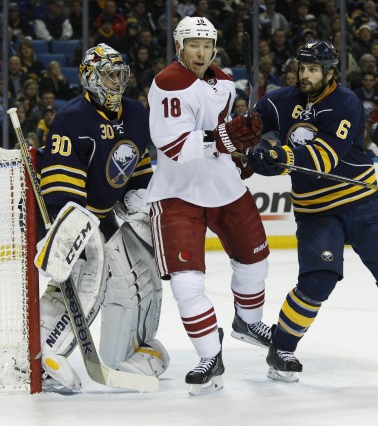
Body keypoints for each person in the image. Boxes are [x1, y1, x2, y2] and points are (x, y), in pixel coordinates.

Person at [248, 40, 378, 383]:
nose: (306, 75)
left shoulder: (346, 102)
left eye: (314, 69)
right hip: (317, 211)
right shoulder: (280, 100)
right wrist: (252, 147)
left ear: (330, 72)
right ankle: (282, 347)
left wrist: (280, 157)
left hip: (364, 205)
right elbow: (250, 130)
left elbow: (323, 158)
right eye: (302, 68)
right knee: (318, 281)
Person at [145, 16, 272, 396]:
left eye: (206, 44)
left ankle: (248, 323)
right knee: (187, 283)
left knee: (256, 260)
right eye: (192, 44)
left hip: (223, 185)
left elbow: (221, 129)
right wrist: (226, 139)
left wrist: (239, 155)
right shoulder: (169, 83)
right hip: (177, 192)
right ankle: (209, 354)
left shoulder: (224, 80)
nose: (200, 52)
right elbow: (172, 146)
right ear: (179, 46)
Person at [36, 43, 169, 391]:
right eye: (109, 75)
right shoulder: (72, 119)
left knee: (137, 280)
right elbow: (61, 191)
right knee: (79, 287)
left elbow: (137, 166)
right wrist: (68, 236)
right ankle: (41, 355)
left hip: (104, 216)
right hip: (70, 218)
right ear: (90, 79)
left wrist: (142, 195)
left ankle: (128, 350)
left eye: (120, 74)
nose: (116, 82)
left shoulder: (137, 113)